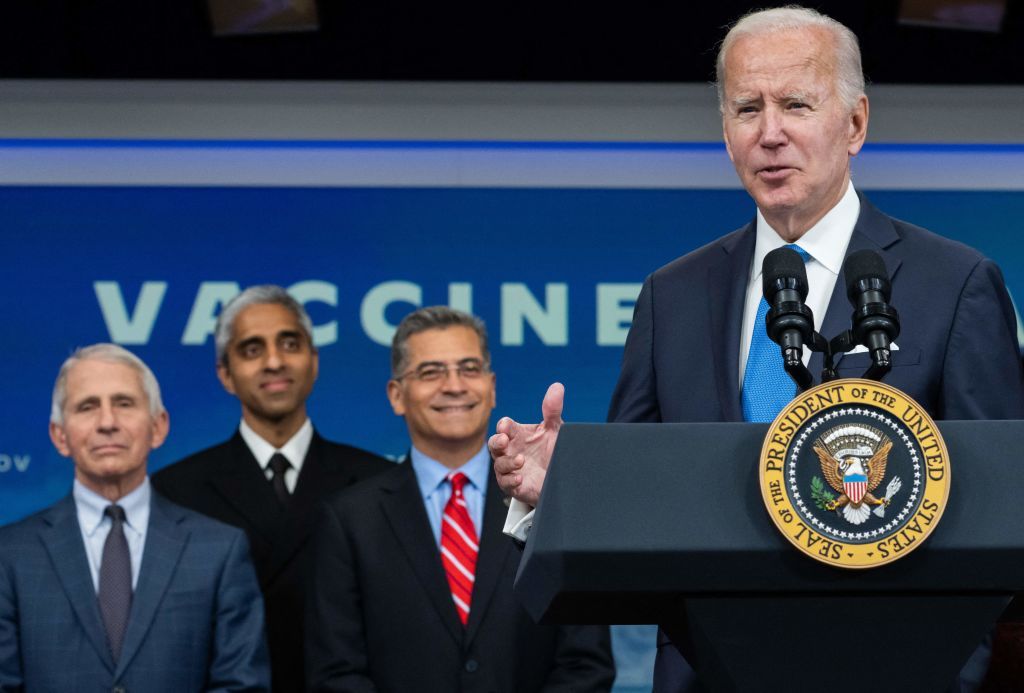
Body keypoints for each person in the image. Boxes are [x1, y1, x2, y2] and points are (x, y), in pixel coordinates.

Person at [490, 6, 1024, 692]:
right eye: (747, 109)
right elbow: (631, 512)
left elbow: (1002, 507)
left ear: (855, 123)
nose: (770, 134)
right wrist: (562, 488)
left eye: (796, 104)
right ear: (725, 131)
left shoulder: (955, 284)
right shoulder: (671, 296)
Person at [306, 306, 615, 692]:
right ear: (396, 395)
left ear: (491, 387)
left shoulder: (547, 502)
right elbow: (336, 673)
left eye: (469, 369)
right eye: (431, 372)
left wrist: (545, 502)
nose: (454, 385)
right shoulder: (349, 520)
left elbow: (586, 665)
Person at [153, 285, 391, 693]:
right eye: (251, 349)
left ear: (313, 361)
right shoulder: (173, 490)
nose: (274, 361)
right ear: (225, 374)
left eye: (290, 343)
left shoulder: (378, 482)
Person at [0, 344, 269, 691]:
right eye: (87, 406)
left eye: (124, 404)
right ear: (59, 436)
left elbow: (242, 685)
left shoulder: (219, 550)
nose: (107, 423)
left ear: (158, 427)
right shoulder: (9, 555)